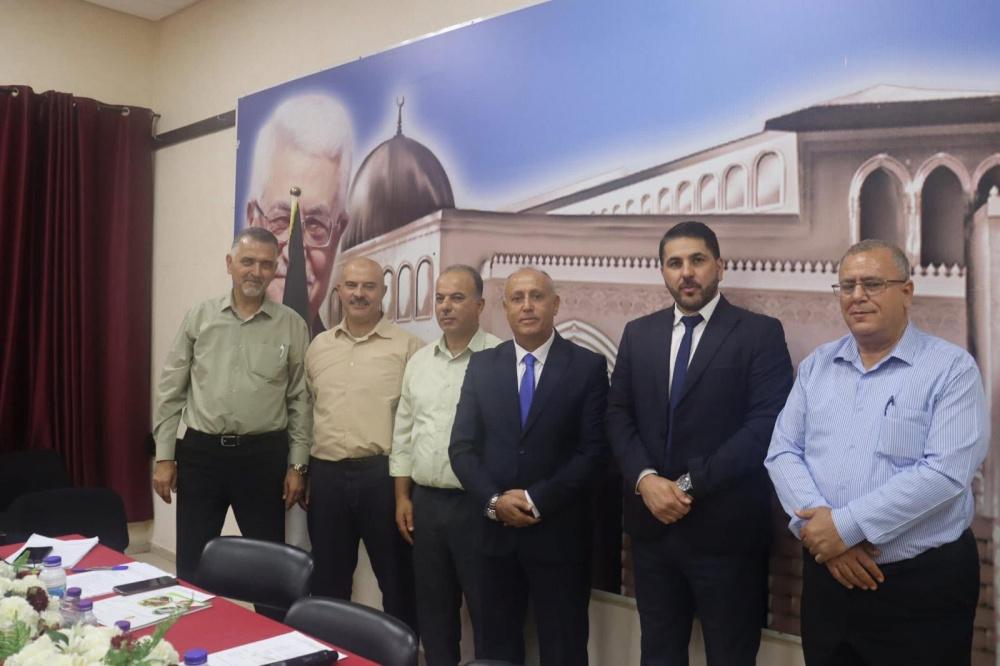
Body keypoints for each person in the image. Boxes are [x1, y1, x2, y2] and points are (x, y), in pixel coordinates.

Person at [765, 239, 988, 666]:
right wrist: (825, 533)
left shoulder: (951, 370)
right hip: (828, 578)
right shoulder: (817, 366)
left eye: (872, 283)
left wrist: (844, 528)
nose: (857, 296)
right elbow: (782, 451)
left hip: (919, 587)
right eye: (847, 286)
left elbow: (945, 474)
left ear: (907, 292)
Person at [607, 220, 793, 666]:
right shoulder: (639, 333)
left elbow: (765, 426)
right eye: (674, 263)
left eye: (697, 260)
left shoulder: (759, 333)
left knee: (730, 655)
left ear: (720, 267)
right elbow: (617, 415)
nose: (686, 272)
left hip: (726, 534)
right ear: (663, 271)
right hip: (653, 531)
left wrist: (686, 485)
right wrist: (646, 480)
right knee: (659, 653)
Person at [449, 268, 609, 666]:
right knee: (496, 649)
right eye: (517, 298)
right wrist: (494, 501)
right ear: (505, 308)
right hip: (493, 536)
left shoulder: (587, 366)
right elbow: (462, 448)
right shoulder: (483, 365)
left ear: (555, 304)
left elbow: (593, 452)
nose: (527, 306)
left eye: (536, 296)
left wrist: (537, 500)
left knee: (563, 649)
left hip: (560, 536)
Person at [151, 227, 311, 583]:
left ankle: (271, 622)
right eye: (247, 261)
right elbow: (171, 390)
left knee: (268, 567)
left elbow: (300, 400)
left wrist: (297, 466)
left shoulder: (292, 325)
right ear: (230, 264)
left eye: (266, 264)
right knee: (192, 564)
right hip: (201, 455)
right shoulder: (200, 317)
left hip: (263, 457)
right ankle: (194, 620)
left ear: (275, 270)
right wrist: (164, 457)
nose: (256, 271)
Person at [390, 265, 502, 666]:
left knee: (490, 611)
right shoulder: (420, 362)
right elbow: (403, 433)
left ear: (480, 305)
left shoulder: (500, 358)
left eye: (457, 298)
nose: (445, 307)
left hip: (480, 506)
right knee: (434, 613)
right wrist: (402, 497)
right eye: (440, 298)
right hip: (427, 505)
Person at [305, 256, 423, 630]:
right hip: (326, 475)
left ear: (383, 291)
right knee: (328, 580)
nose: (359, 294)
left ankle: (400, 650)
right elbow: (306, 410)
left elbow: (419, 421)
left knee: (398, 580)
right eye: (352, 286)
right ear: (339, 290)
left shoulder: (409, 348)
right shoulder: (319, 346)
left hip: (383, 477)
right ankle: (330, 650)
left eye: (368, 286)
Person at [245, 93, 353, 336]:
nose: (295, 253)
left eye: (316, 225)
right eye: (280, 220)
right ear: (253, 220)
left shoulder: (335, 354)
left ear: (339, 232)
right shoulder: (218, 335)